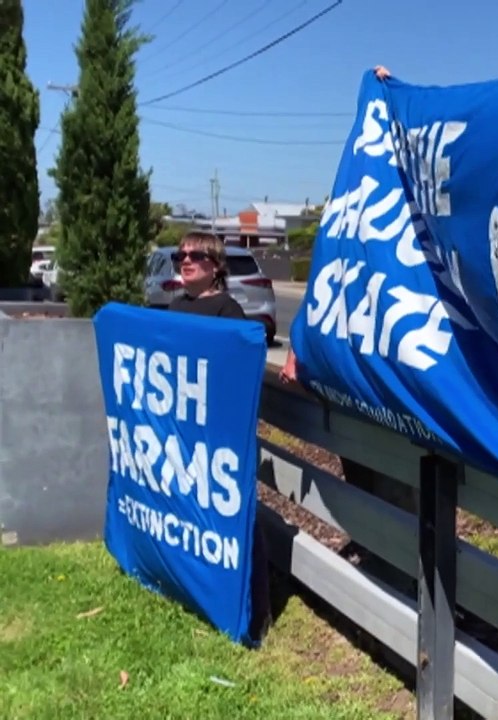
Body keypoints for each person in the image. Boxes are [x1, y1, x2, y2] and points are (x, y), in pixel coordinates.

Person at [166, 231, 274, 641]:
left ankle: (255, 612)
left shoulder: (228, 311)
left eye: (195, 255)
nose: (185, 261)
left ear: (215, 265)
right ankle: (194, 588)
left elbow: (242, 365)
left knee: (235, 518)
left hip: (218, 439)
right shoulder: (175, 307)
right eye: (181, 255)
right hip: (181, 432)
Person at [280, 64, 393, 387]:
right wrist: (294, 354)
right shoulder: (337, 236)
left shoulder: (396, 253)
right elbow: (317, 306)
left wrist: (392, 98)